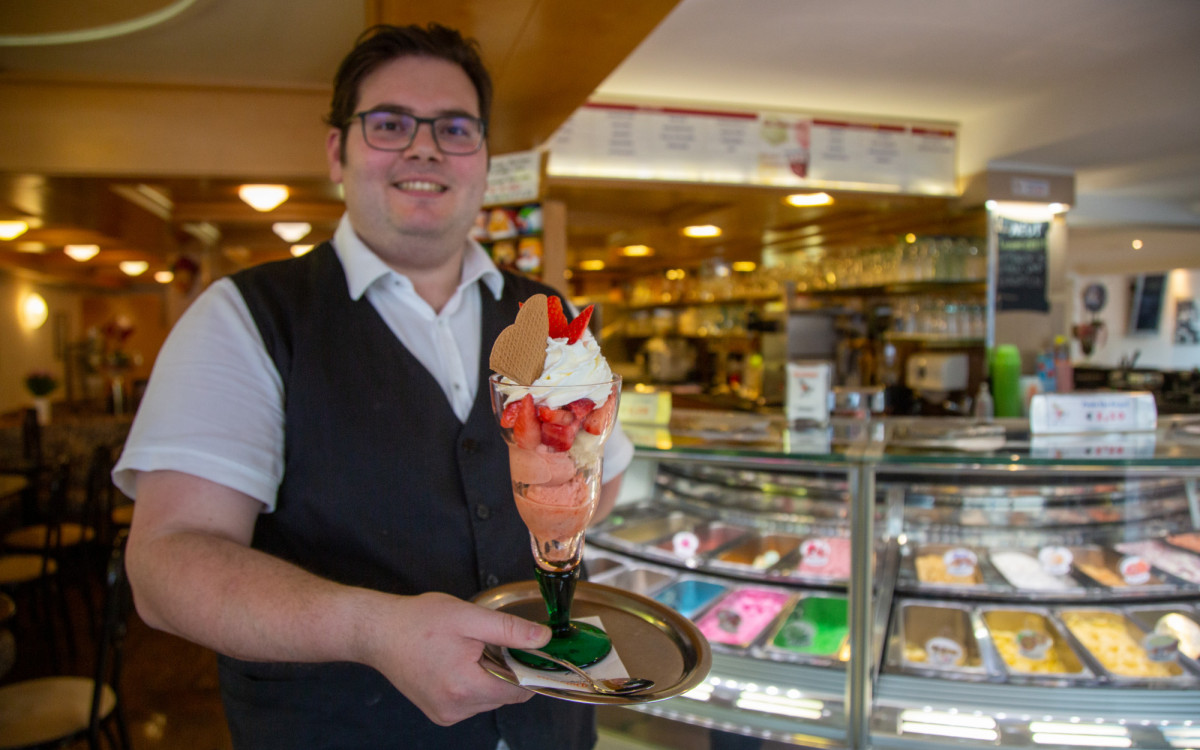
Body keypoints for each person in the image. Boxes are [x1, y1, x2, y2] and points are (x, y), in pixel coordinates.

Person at [114, 23, 633, 750]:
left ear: (484, 159)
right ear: (338, 151)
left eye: (455, 128)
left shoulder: (547, 319)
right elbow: (166, 561)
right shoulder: (246, 316)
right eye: (390, 124)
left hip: (549, 725)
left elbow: (600, 478)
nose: (424, 147)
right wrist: (370, 627)